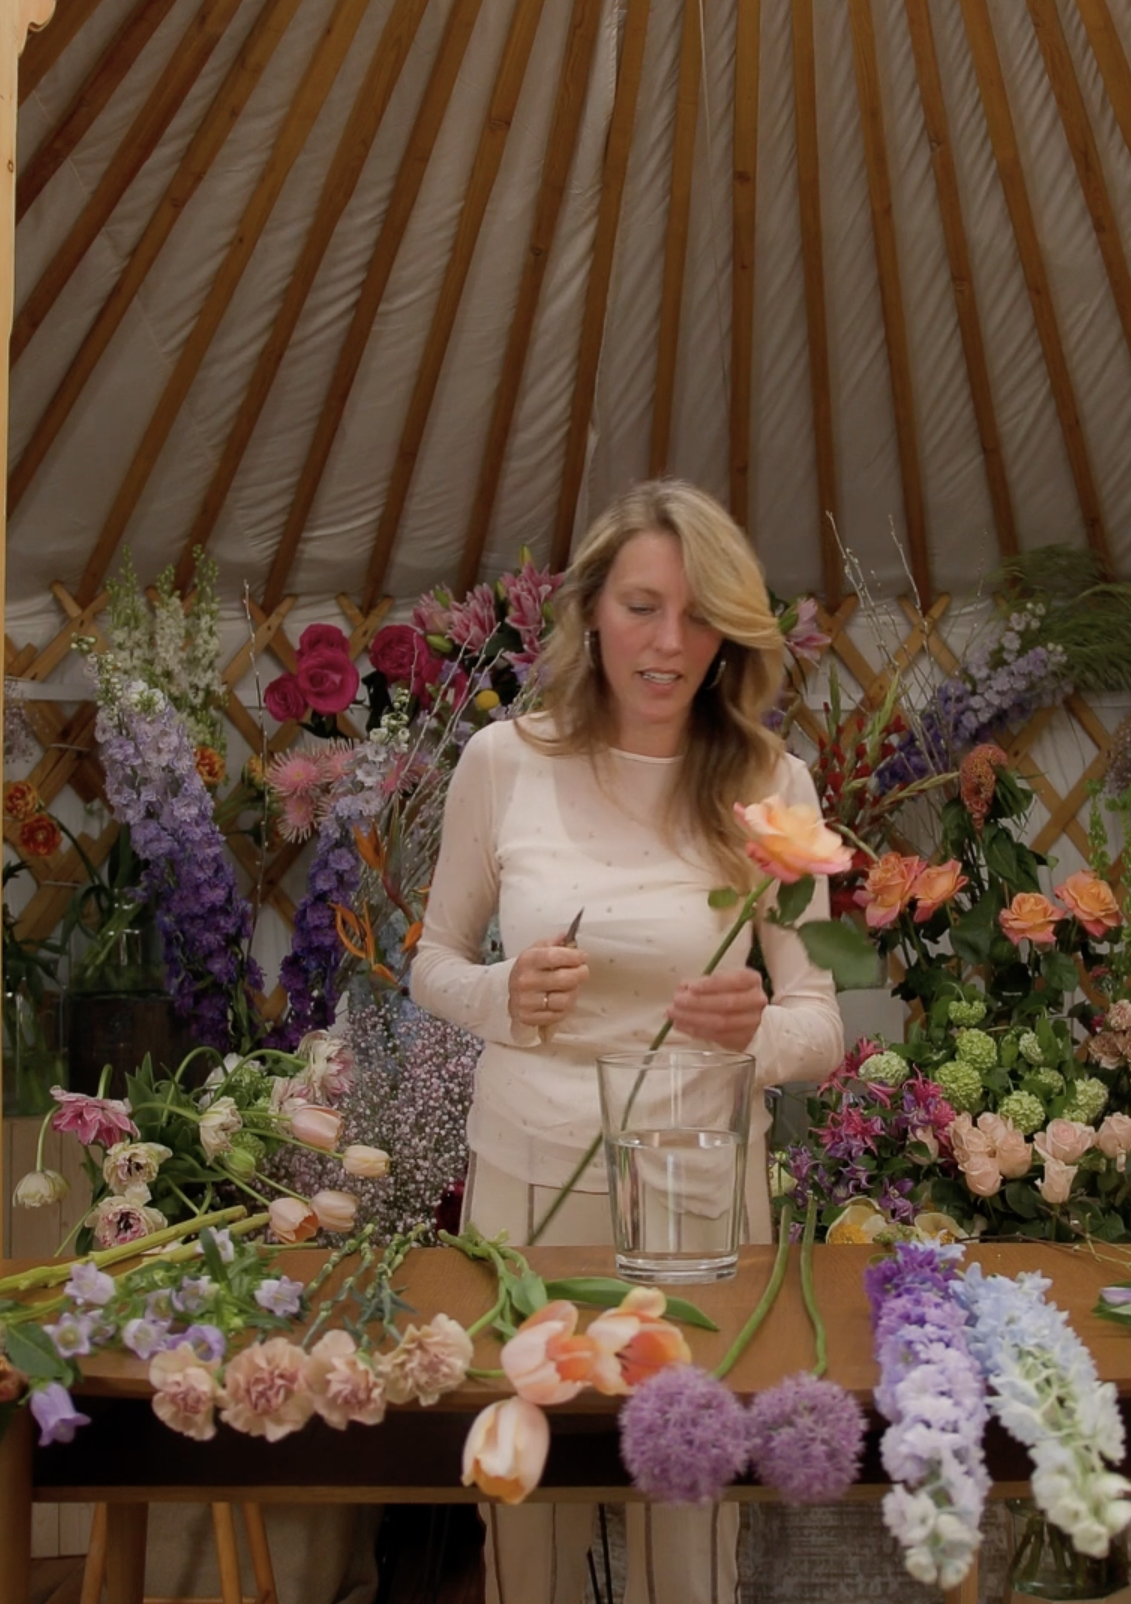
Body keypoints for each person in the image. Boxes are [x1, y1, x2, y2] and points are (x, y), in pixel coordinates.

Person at [410, 479, 844, 1602]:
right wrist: (504, 994)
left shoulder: (770, 782)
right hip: (528, 1185)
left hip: (697, 1197)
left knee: (685, 1518)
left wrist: (755, 1034)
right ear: (592, 609)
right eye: (643, 607)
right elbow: (432, 961)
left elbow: (820, 1023)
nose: (668, 643)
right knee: (532, 1513)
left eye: (699, 617)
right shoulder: (504, 759)